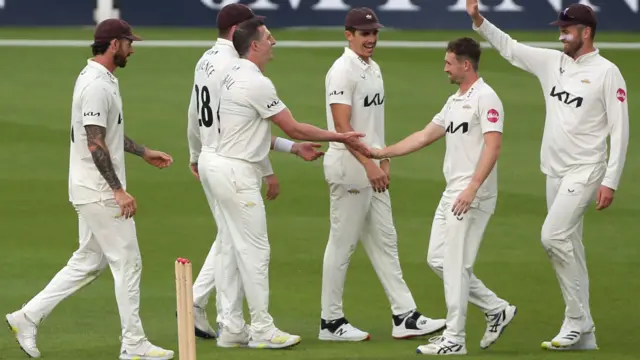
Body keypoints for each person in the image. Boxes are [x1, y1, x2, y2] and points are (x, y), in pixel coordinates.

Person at [196, 16, 371, 349]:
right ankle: (262, 328)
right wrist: (340, 136)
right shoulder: (255, 82)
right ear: (255, 45)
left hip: (218, 163)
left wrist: (291, 149)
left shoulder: (228, 74)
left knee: (232, 246)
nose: (273, 42)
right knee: (255, 252)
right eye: (268, 37)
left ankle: (232, 326)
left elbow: (248, 130)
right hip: (235, 171)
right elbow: (293, 126)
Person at [5, 19, 175, 360]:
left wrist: (142, 152)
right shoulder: (96, 84)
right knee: (128, 262)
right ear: (114, 44)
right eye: (129, 42)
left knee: (89, 261)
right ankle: (133, 344)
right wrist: (117, 190)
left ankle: (27, 317)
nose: (133, 48)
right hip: (98, 190)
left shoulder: (100, 79)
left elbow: (106, 134)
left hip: (89, 187)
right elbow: (95, 143)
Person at [466, 0, 629, 351]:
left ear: (586, 32)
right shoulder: (551, 62)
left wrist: (610, 179)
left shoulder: (606, 72)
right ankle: (586, 336)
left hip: (586, 170)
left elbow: (621, 130)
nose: (561, 33)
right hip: (553, 171)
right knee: (570, 245)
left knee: (553, 237)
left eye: (567, 29)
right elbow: (510, 48)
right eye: (560, 28)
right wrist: (480, 21)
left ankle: (576, 320)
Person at [368, 37, 516, 355]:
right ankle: (496, 308)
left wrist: (473, 187)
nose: (445, 67)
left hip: (471, 194)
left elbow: (494, 146)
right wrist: (380, 151)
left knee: (455, 263)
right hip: (452, 191)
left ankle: (455, 338)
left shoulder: (486, 98)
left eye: (449, 62)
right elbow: (424, 136)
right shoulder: (454, 102)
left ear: (465, 64)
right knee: (437, 259)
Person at [186, 3, 324, 343]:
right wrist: (267, 169)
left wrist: (194, 152)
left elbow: (195, 111)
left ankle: (227, 322)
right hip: (231, 160)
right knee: (240, 242)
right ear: (238, 33)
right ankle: (218, 312)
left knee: (230, 239)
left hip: (210, 153)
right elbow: (246, 127)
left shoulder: (205, 60)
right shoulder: (235, 66)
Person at [318, 7, 446, 342]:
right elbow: (343, 126)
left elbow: (372, 124)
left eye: (374, 33)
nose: (371, 39)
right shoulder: (342, 71)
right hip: (351, 168)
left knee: (385, 243)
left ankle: (404, 315)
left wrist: (384, 155)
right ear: (349, 35)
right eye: (364, 34)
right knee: (342, 244)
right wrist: (368, 163)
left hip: (372, 167)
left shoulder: (372, 68)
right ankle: (330, 321)